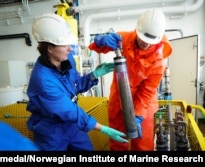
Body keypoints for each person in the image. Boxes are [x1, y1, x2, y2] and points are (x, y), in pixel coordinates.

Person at [26, 13, 128, 151]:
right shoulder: (42, 80)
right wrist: (103, 128)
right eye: (64, 45)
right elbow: (69, 111)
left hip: (72, 125)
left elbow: (75, 85)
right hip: (51, 131)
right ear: (49, 48)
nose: (69, 48)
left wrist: (93, 75)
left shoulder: (67, 60)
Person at [89, 8, 172, 150]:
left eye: (150, 43)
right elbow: (95, 47)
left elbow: (147, 92)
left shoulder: (159, 61)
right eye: (142, 39)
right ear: (137, 31)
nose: (145, 44)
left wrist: (138, 116)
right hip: (119, 98)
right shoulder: (124, 39)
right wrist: (101, 41)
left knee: (142, 145)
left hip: (143, 105)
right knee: (117, 140)